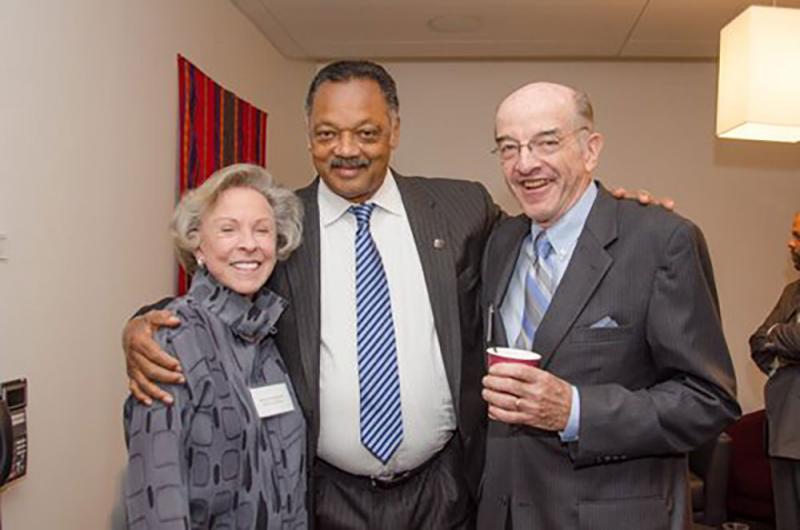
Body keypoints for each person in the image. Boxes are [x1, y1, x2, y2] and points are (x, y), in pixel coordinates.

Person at [122, 62, 669, 529]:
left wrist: (606, 210)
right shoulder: (281, 225)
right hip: (324, 495)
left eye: (366, 132)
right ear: (308, 134)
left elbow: (545, 239)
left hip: (445, 489)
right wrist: (144, 324)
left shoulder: (462, 210)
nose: (346, 150)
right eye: (327, 133)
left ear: (395, 130)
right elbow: (222, 286)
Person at [477, 82, 740, 530]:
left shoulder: (661, 241)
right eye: (508, 148)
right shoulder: (500, 242)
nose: (525, 163)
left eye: (547, 142)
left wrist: (576, 411)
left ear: (590, 149)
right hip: (502, 514)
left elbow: (708, 400)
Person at [123, 164, 306, 529]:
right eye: (228, 229)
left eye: (262, 230)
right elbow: (157, 498)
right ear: (198, 245)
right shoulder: (172, 340)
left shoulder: (268, 336)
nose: (249, 243)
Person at [750, 211, 800, 530]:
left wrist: (778, 337)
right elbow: (757, 341)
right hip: (783, 428)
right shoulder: (792, 292)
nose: (790, 243)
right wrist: (782, 341)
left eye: (798, 236)